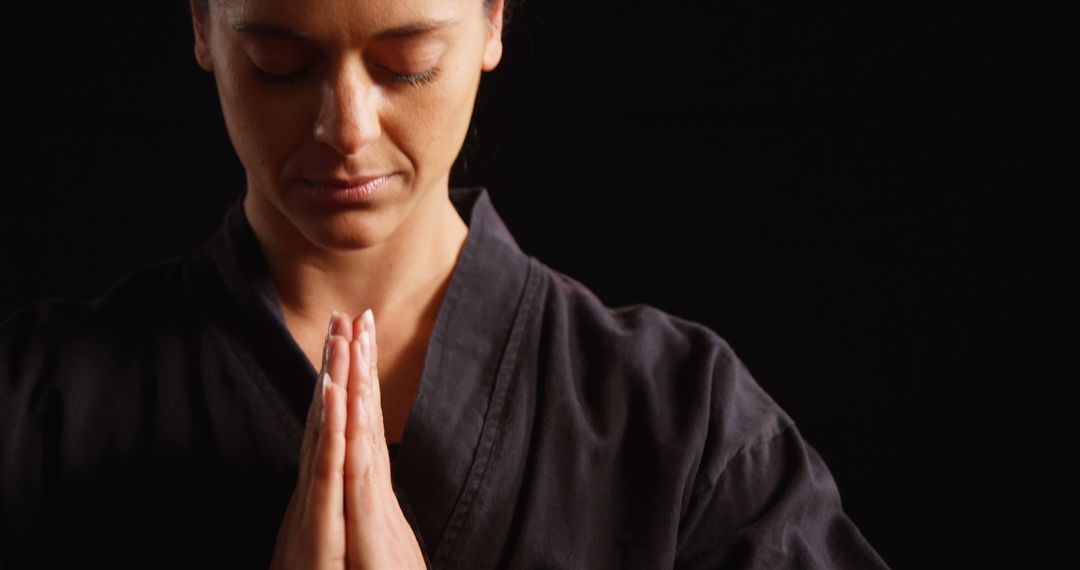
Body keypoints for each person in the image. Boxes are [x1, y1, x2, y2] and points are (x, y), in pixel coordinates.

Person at [0, 0, 891, 568]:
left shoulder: (684, 427)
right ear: (201, 25)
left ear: (494, 22)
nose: (344, 127)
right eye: (280, 62)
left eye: (406, 61)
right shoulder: (35, 408)